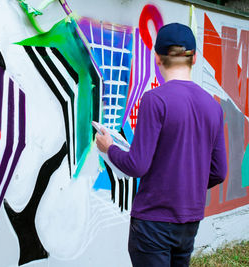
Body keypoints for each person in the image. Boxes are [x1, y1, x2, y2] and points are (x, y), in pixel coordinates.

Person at [95, 23, 227, 267]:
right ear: (194, 58)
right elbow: (219, 172)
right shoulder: (213, 106)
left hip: (152, 224)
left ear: (157, 58)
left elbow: (137, 165)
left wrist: (108, 148)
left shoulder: (155, 100)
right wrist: (189, 184)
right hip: (189, 223)